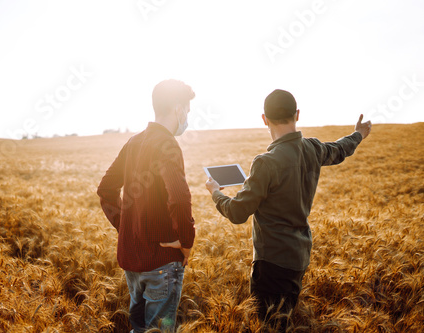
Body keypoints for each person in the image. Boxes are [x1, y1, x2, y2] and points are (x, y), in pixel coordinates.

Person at [205, 89, 372, 331]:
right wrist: (358, 133)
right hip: (299, 257)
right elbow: (339, 149)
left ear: (264, 119)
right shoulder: (313, 149)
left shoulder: (265, 162)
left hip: (271, 262)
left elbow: (237, 213)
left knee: (268, 326)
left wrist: (215, 192)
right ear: (297, 114)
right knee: (283, 322)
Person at [97, 79, 196, 332]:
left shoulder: (134, 142)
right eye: (187, 108)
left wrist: (129, 227)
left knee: (139, 328)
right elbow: (179, 197)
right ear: (177, 109)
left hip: (133, 260)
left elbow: (106, 189)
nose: (188, 115)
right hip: (161, 261)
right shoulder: (167, 144)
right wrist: (186, 242)